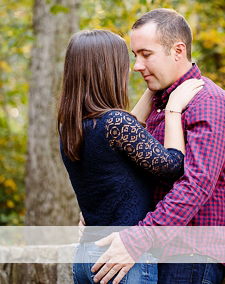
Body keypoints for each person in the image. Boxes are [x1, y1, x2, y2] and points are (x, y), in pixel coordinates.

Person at [90, 8, 225, 284]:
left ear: (178, 51)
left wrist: (137, 239)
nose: (137, 65)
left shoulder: (209, 102)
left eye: (146, 55)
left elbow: (195, 185)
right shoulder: (159, 104)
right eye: (135, 55)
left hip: (188, 256)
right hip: (151, 254)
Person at [58, 29, 204, 284]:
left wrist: (156, 86)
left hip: (86, 255)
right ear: (108, 70)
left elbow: (126, 135)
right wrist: (172, 109)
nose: (133, 68)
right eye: (125, 61)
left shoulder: (74, 126)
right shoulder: (114, 123)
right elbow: (173, 167)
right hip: (120, 259)